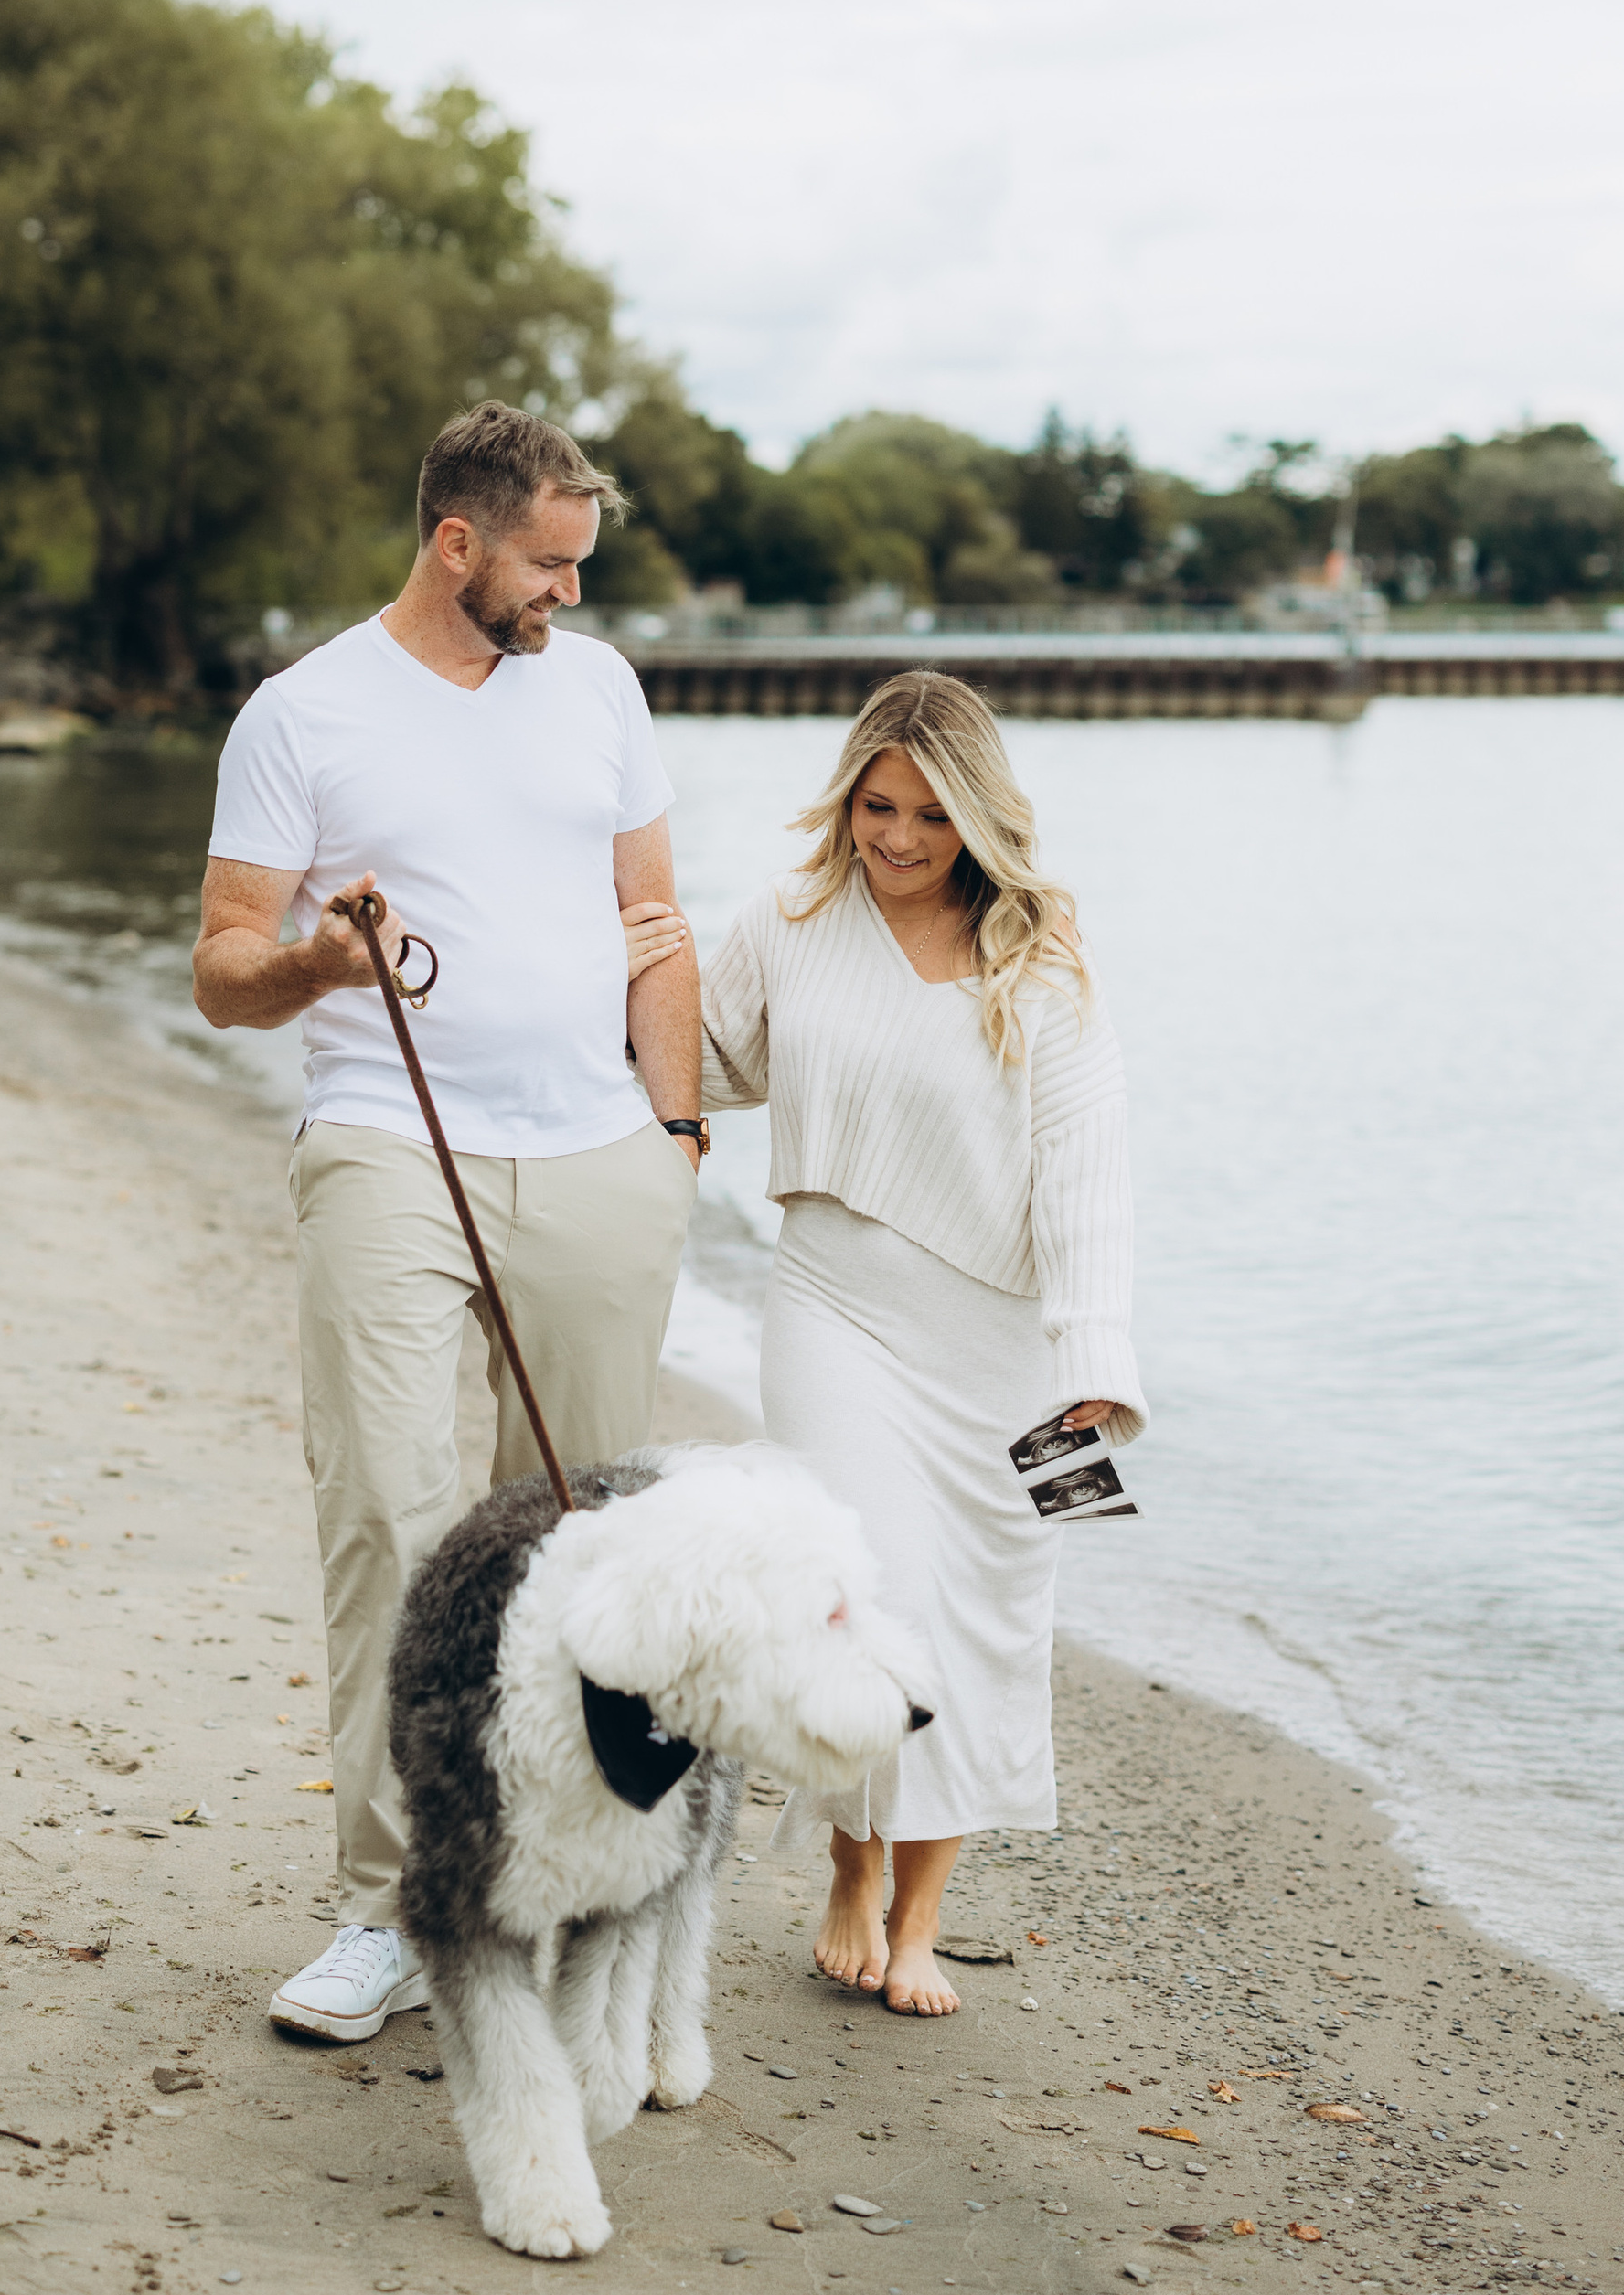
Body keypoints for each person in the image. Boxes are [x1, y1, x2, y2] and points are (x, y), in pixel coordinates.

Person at [193, 401, 704, 2045]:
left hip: (600, 1156)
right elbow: (221, 970)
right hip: (385, 1144)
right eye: (548, 565)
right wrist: (316, 963)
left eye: (581, 566)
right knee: (391, 1527)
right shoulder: (303, 713)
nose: (568, 594)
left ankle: (573, 1884)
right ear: (456, 541)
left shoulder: (602, 689)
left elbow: (655, 922)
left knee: (582, 1539)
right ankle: (399, 1912)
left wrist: (676, 1133)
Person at [690, 669, 1145, 2014]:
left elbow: (1086, 1170)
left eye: (933, 817)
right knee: (864, 1595)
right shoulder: (789, 919)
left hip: (998, 1343)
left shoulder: (1041, 956)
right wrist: (638, 972)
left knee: (985, 1623)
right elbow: (700, 1058)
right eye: (878, 807)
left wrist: (1094, 1359)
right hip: (832, 1304)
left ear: (980, 819)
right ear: (847, 797)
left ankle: (920, 1918)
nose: (898, 839)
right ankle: (850, 1861)